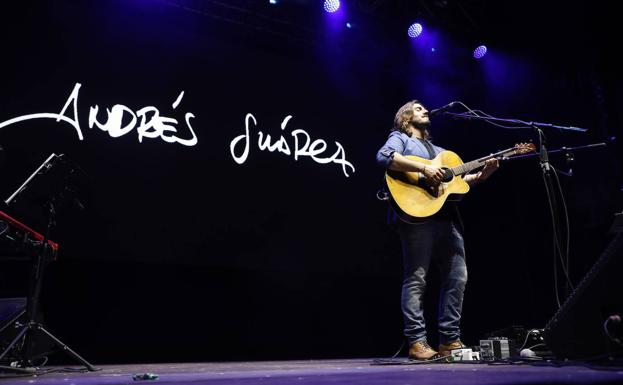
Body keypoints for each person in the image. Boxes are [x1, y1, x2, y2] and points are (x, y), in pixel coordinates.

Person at [376, 100, 499, 360]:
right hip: (417, 217)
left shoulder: (441, 152)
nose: (425, 110)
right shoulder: (400, 138)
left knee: (458, 277)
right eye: (418, 108)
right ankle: (417, 342)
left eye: (424, 108)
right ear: (405, 117)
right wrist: (423, 168)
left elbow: (456, 182)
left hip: (447, 219)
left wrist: (482, 175)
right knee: (417, 278)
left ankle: (449, 340)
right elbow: (384, 157)